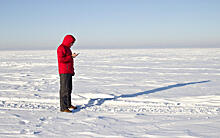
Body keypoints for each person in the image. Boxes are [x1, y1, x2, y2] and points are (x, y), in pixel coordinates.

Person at [57, 34, 79, 112]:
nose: (72, 44)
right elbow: (61, 60)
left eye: (73, 43)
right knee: (64, 90)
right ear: (67, 41)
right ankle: (63, 107)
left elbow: (69, 61)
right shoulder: (61, 48)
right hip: (64, 72)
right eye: (71, 42)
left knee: (69, 89)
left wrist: (72, 71)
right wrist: (71, 56)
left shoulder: (68, 49)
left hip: (68, 71)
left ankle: (68, 104)